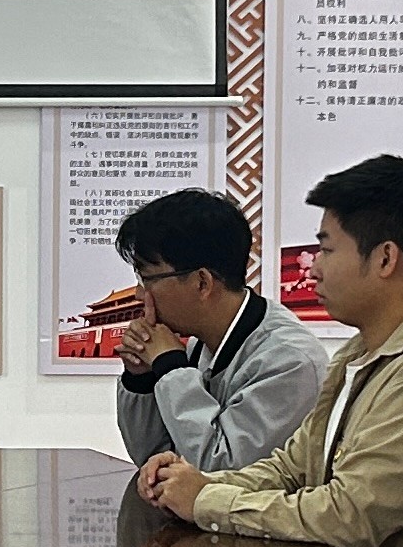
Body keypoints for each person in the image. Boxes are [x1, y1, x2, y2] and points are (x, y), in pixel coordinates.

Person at [136, 155, 403, 547]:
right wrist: (197, 483)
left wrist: (207, 500)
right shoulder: (361, 354)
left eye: (326, 249)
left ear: (385, 259)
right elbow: (294, 467)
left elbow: (350, 517)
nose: (313, 268)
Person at [111, 187, 328, 472]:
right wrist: (141, 379)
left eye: (147, 279)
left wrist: (172, 368)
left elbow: (222, 469)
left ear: (202, 282)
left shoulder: (289, 361)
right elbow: (153, 459)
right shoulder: (199, 344)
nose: (140, 295)